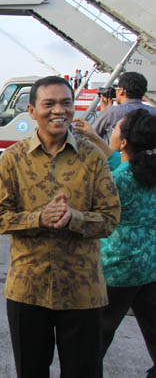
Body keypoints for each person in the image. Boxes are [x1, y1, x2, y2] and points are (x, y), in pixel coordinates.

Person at [0, 75, 121, 378]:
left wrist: (73, 218)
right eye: (48, 104)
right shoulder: (13, 159)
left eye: (66, 103)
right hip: (28, 290)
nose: (58, 111)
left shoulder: (93, 158)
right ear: (32, 111)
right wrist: (40, 218)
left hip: (82, 291)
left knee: (84, 371)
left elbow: (110, 218)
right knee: (31, 370)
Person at [73, 110, 156, 378]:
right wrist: (93, 136)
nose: (114, 132)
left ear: (124, 142)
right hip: (151, 263)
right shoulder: (142, 170)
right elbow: (116, 160)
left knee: (98, 335)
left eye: (117, 129)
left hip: (118, 266)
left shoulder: (118, 179)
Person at [93, 71, 156, 141]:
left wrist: (104, 112)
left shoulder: (112, 112)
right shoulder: (153, 112)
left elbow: (92, 136)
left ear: (121, 91)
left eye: (117, 89)